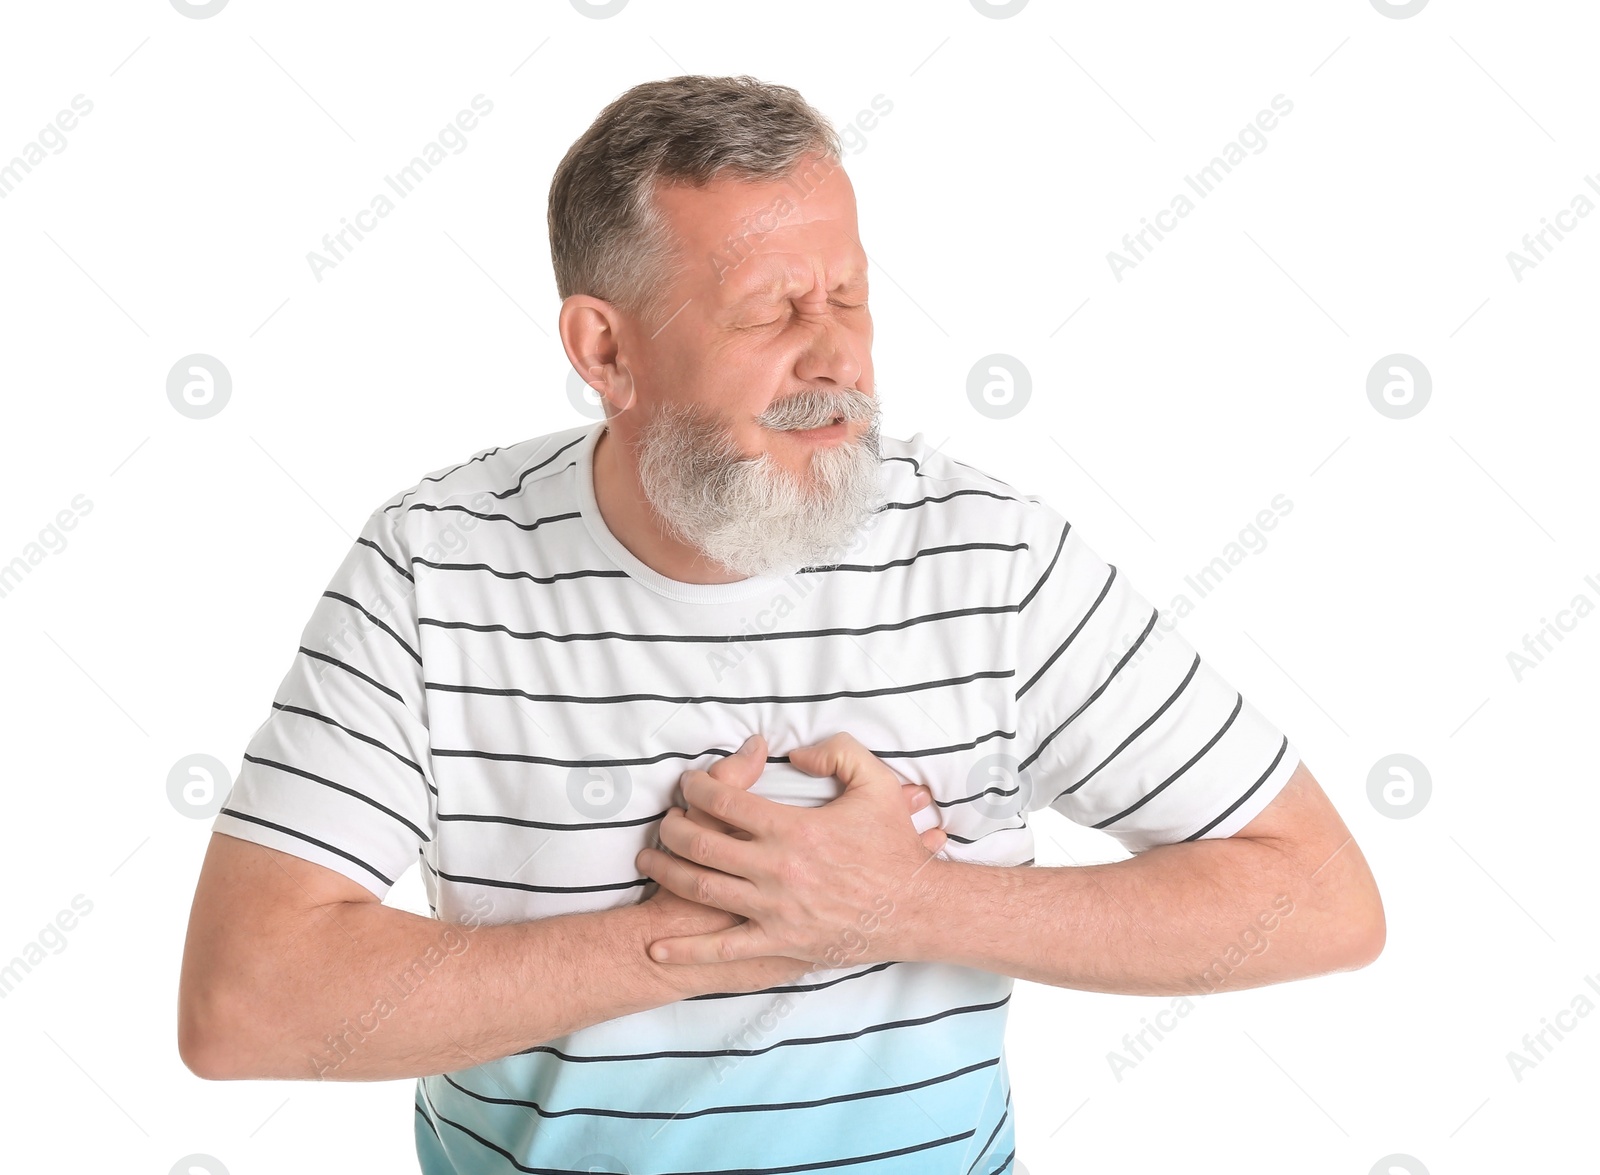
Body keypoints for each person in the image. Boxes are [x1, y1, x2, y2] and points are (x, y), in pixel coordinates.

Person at [178, 75, 1385, 1174]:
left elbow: (1319, 897)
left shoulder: (991, 554)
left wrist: (903, 904)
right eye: (769, 311)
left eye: (849, 294)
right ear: (606, 348)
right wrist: (697, 935)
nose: (836, 354)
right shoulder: (434, 562)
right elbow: (247, 1004)